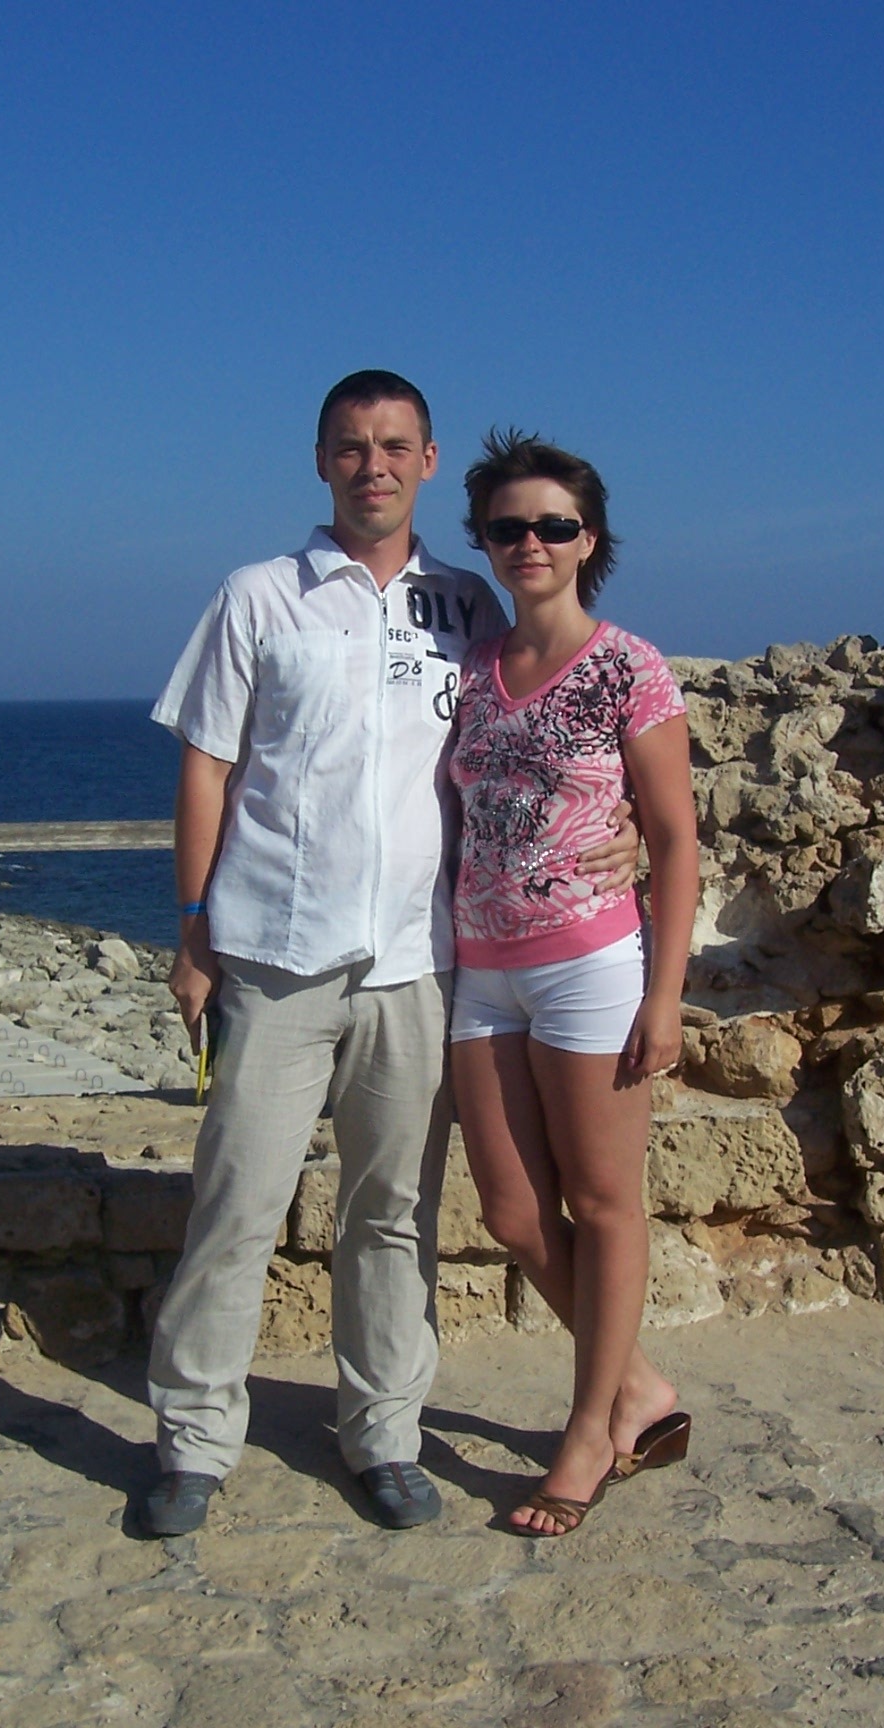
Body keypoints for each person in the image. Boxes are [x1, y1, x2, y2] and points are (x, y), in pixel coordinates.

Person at [143, 372, 637, 1537]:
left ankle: (383, 1435)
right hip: (274, 955)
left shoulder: (466, 607)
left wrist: (631, 831)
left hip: (419, 962)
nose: (373, 465)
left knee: (395, 1214)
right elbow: (207, 767)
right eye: (352, 446)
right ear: (322, 461)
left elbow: (551, 726)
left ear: (428, 462)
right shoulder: (258, 597)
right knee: (237, 1204)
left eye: (394, 445)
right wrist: (193, 928)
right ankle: (193, 1443)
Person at [446, 431, 699, 1537]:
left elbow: (677, 840)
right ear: (486, 543)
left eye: (554, 525)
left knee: (601, 1205)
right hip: (481, 969)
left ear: (589, 540)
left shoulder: (628, 668)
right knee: (512, 1213)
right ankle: (637, 1386)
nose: (531, 542)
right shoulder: (471, 671)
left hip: (591, 965)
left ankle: (591, 1430)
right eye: (509, 527)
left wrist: (665, 995)